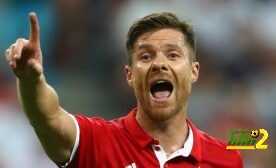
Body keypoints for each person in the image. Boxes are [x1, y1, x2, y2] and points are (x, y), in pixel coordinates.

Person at [5, 12, 243, 168]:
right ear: (129, 75)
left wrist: (256, 138)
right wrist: (29, 79)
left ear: (194, 71)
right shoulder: (98, 141)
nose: (159, 64)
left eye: (173, 54)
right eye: (146, 56)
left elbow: (263, 140)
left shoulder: (227, 156)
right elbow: (48, 117)